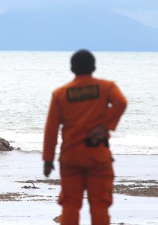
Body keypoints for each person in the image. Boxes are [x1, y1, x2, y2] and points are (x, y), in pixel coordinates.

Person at [43, 49, 127, 225]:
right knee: (99, 205)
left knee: (70, 205)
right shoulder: (106, 87)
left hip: (71, 158)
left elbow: (51, 130)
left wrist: (48, 160)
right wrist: (105, 126)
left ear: (72, 69)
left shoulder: (61, 94)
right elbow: (121, 103)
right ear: (94, 67)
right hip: (98, 156)